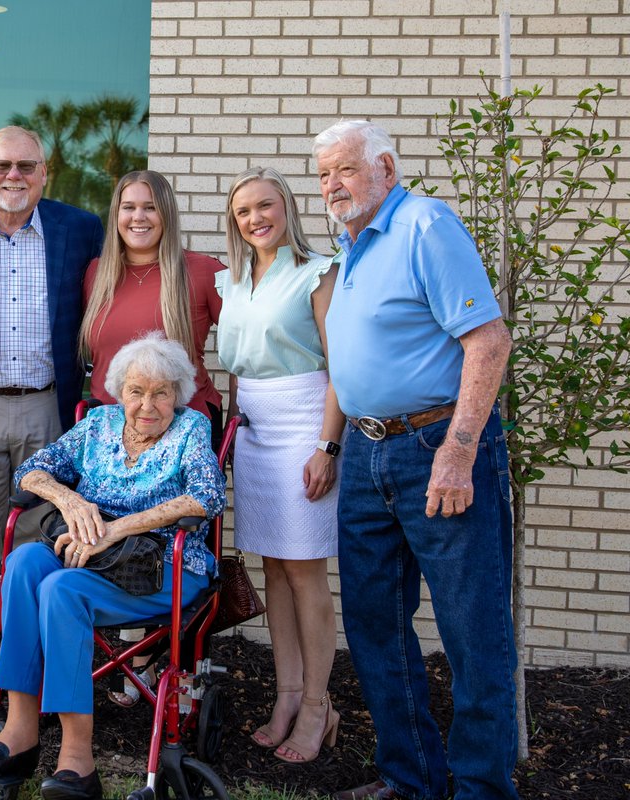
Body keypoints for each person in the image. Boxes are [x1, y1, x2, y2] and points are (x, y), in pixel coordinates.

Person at [314, 120, 516, 800]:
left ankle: (483, 790)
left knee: (470, 628)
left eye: (343, 169)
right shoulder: (354, 248)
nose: (331, 185)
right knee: (374, 629)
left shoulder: (426, 226)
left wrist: (459, 452)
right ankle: (412, 781)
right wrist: (337, 446)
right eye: (322, 175)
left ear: (387, 168)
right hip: (369, 456)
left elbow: (488, 341)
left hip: (436, 449)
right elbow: (351, 365)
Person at [0, 333, 226, 800]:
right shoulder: (97, 425)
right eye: (136, 391)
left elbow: (208, 496)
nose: (148, 404)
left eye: (161, 392)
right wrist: (71, 500)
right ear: (119, 391)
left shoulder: (190, 429)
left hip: (164, 565)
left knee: (62, 590)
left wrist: (117, 528)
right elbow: (31, 471)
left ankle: (78, 761)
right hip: (90, 555)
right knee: (24, 562)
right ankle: (20, 730)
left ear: (177, 394)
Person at [0, 125, 104, 693]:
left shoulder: (79, 229)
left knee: (41, 533)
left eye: (26, 167)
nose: (14, 177)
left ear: (44, 173)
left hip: (48, 408)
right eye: (2, 166)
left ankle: (29, 651)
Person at [79, 169, 225, 706]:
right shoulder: (96, 274)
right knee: (105, 530)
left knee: (167, 540)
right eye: (127, 207)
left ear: (168, 214)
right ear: (114, 216)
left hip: (178, 427)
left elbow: (250, 338)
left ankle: (158, 662)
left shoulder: (203, 273)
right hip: (109, 428)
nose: (138, 218)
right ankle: (115, 652)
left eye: (150, 207)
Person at [216, 166, 345, 763]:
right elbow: (238, 371)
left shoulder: (317, 273)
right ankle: (287, 695)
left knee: (304, 573)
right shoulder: (233, 281)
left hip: (303, 427)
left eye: (265, 206)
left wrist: (327, 446)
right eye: (244, 211)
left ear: (286, 207)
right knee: (273, 569)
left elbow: (341, 368)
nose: (255, 218)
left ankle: (319, 706)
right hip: (255, 433)